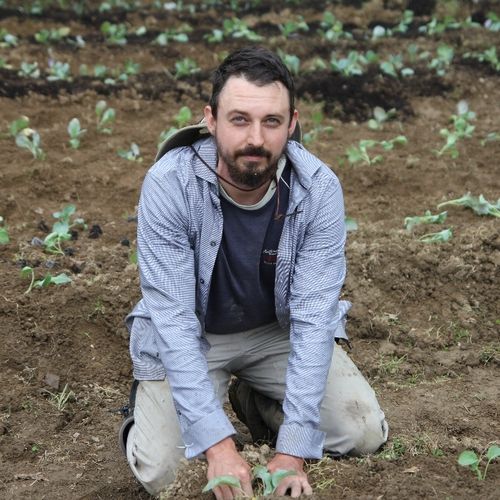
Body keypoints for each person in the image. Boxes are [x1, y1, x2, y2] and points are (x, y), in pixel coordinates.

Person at [120, 46, 388, 499]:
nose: (256, 140)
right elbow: (175, 322)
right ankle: (144, 417)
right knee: (165, 471)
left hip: (275, 332)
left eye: (271, 122)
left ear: (292, 123)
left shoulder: (318, 189)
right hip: (197, 336)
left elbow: (311, 319)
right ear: (211, 119)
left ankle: (255, 401)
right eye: (240, 119)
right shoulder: (170, 184)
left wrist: (293, 451)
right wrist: (217, 444)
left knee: (360, 433)